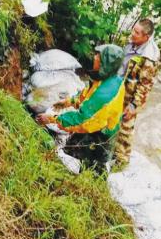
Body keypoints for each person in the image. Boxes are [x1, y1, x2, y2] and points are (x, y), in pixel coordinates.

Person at [37, 44, 125, 173]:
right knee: (76, 152)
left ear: (105, 63)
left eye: (98, 56)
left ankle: (90, 185)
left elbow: (82, 120)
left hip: (101, 134)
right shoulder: (109, 79)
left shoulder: (104, 94)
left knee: (94, 167)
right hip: (99, 124)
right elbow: (88, 96)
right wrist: (68, 102)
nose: (94, 57)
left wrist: (52, 119)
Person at [114, 18, 160, 167]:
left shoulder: (148, 59)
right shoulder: (132, 42)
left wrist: (134, 106)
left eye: (137, 33)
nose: (132, 34)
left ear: (146, 37)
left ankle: (121, 162)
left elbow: (145, 86)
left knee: (124, 131)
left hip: (129, 96)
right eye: (133, 29)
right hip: (117, 87)